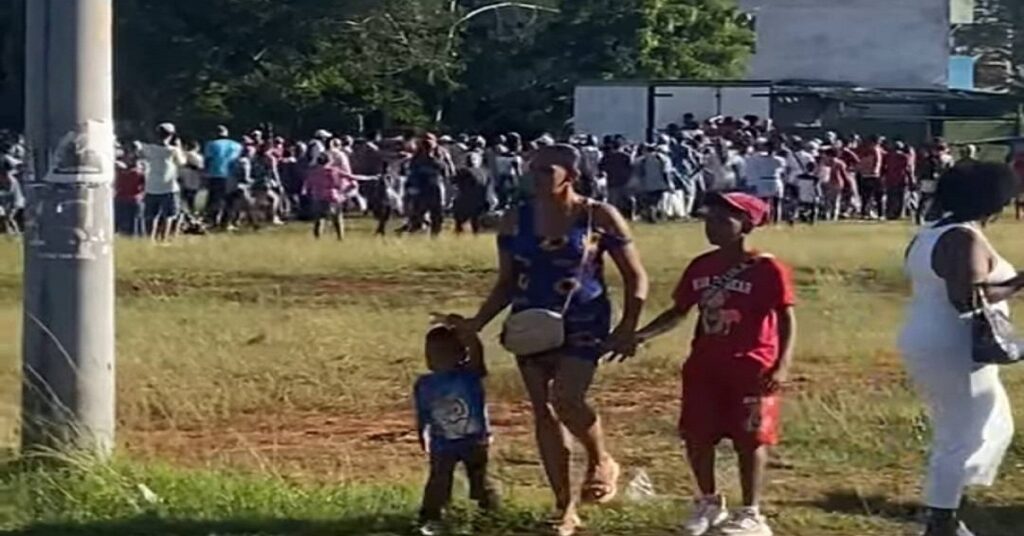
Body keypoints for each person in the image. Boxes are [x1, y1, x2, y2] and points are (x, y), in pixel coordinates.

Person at [446, 144, 648, 536]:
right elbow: (505, 282)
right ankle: (565, 507)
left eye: (544, 170)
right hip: (530, 321)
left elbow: (635, 276)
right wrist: (478, 322)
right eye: (532, 169)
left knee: (567, 398)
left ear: (570, 175)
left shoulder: (598, 216)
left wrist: (628, 327)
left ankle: (599, 459)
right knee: (543, 410)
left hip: (585, 318)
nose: (534, 177)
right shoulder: (514, 219)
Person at [636, 192, 796, 536]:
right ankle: (708, 502)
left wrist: (781, 365)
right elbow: (679, 311)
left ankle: (751, 512)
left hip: (753, 365)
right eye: (708, 219)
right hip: (705, 364)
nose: (712, 226)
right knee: (697, 434)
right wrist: (641, 335)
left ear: (747, 225)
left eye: (723, 220)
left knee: (750, 438)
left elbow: (786, 318)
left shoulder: (767, 268)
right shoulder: (701, 266)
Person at [899, 162, 1021, 536]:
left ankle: (945, 507)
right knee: (962, 434)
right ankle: (941, 520)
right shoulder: (963, 238)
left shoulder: (930, 233)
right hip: (955, 345)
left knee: (991, 424)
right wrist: (1019, 282)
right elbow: (965, 299)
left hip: (932, 337)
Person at [414, 323, 498, 536]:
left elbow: (477, 352)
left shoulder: (470, 374)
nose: (433, 358)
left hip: (474, 440)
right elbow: (422, 411)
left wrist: (466, 331)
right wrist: (421, 433)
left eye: (441, 353)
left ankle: (488, 517)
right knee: (438, 481)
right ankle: (431, 518)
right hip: (442, 442)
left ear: (460, 354)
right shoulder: (424, 383)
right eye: (429, 353)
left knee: (480, 480)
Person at [140, 123, 186, 241]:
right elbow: (182, 162)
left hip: (151, 186)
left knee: (151, 216)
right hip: (169, 187)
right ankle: (164, 239)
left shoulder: (149, 148)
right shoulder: (173, 150)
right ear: (171, 135)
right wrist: (179, 147)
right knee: (168, 216)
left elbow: (140, 153)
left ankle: (150, 239)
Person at [407, 134, 450, 236]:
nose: (427, 145)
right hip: (421, 186)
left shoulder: (441, 153)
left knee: (437, 212)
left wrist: (434, 160)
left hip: (436, 186)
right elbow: (411, 170)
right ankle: (416, 230)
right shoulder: (417, 156)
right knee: (417, 212)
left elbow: (448, 171)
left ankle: (435, 234)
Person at [203, 126, 243, 227]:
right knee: (230, 200)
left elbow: (208, 160)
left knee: (215, 199)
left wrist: (205, 174)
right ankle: (227, 222)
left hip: (215, 175)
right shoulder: (237, 145)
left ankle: (213, 221)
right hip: (232, 176)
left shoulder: (211, 144)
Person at [744, 140, 786, 224]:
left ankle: (766, 220)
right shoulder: (780, 160)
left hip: (766, 181)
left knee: (766, 202)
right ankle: (773, 221)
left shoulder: (759, 158)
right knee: (775, 203)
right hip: (774, 180)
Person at [114, 146, 145, 236]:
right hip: (131, 199)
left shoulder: (121, 171)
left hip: (125, 199)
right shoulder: (138, 172)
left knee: (124, 224)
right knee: (134, 224)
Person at [882, 141, 914, 220]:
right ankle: (899, 214)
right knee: (901, 198)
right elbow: (908, 169)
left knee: (890, 197)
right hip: (901, 179)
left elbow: (884, 168)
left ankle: (889, 213)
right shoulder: (904, 157)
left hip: (890, 179)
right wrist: (911, 180)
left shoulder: (888, 156)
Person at [856, 135, 885, 219]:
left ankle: (876, 213)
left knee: (874, 196)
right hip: (869, 175)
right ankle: (867, 213)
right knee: (868, 196)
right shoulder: (871, 150)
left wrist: (875, 170)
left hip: (871, 175)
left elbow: (878, 161)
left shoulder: (876, 150)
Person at [179, 140, 204, 214]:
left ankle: (184, 216)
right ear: (196, 148)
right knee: (191, 201)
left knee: (182, 200)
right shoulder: (197, 157)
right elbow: (201, 168)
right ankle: (191, 215)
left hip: (183, 180)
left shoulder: (182, 155)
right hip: (193, 182)